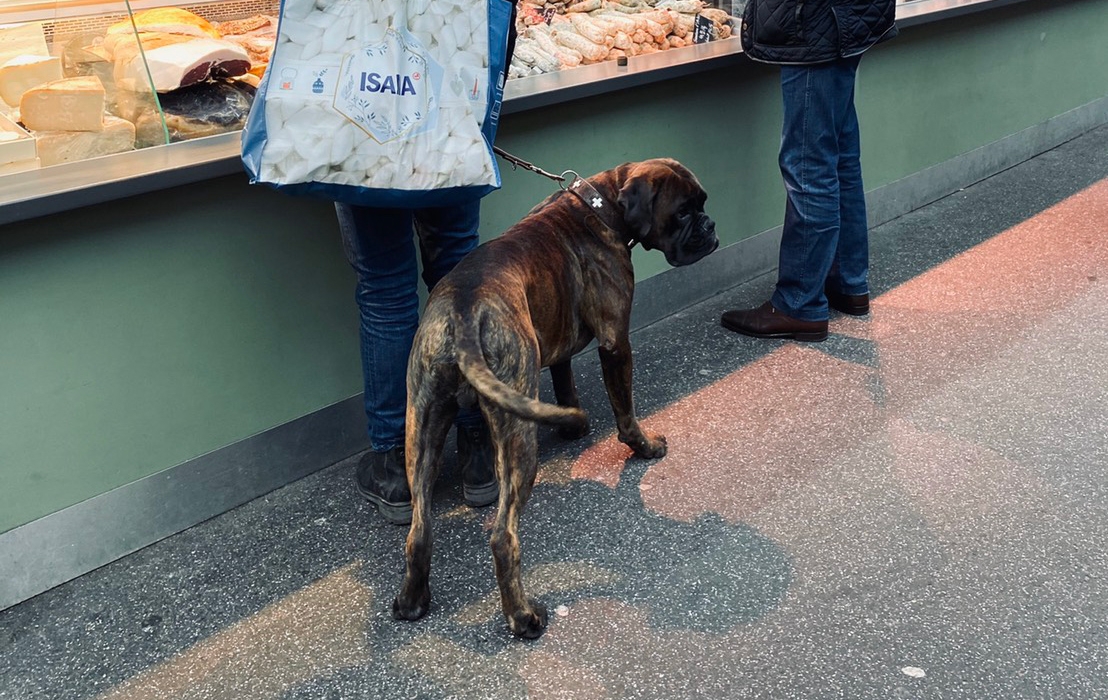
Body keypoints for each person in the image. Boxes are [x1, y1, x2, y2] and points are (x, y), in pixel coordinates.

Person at [340, 6, 517, 526]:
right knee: (459, 275)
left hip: (368, 102)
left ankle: (397, 464)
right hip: (451, 94)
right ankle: (478, 448)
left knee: (385, 288)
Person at [721, 0, 897, 342]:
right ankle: (846, 282)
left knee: (808, 165)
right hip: (848, 19)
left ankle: (799, 303)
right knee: (839, 157)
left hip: (815, 24)